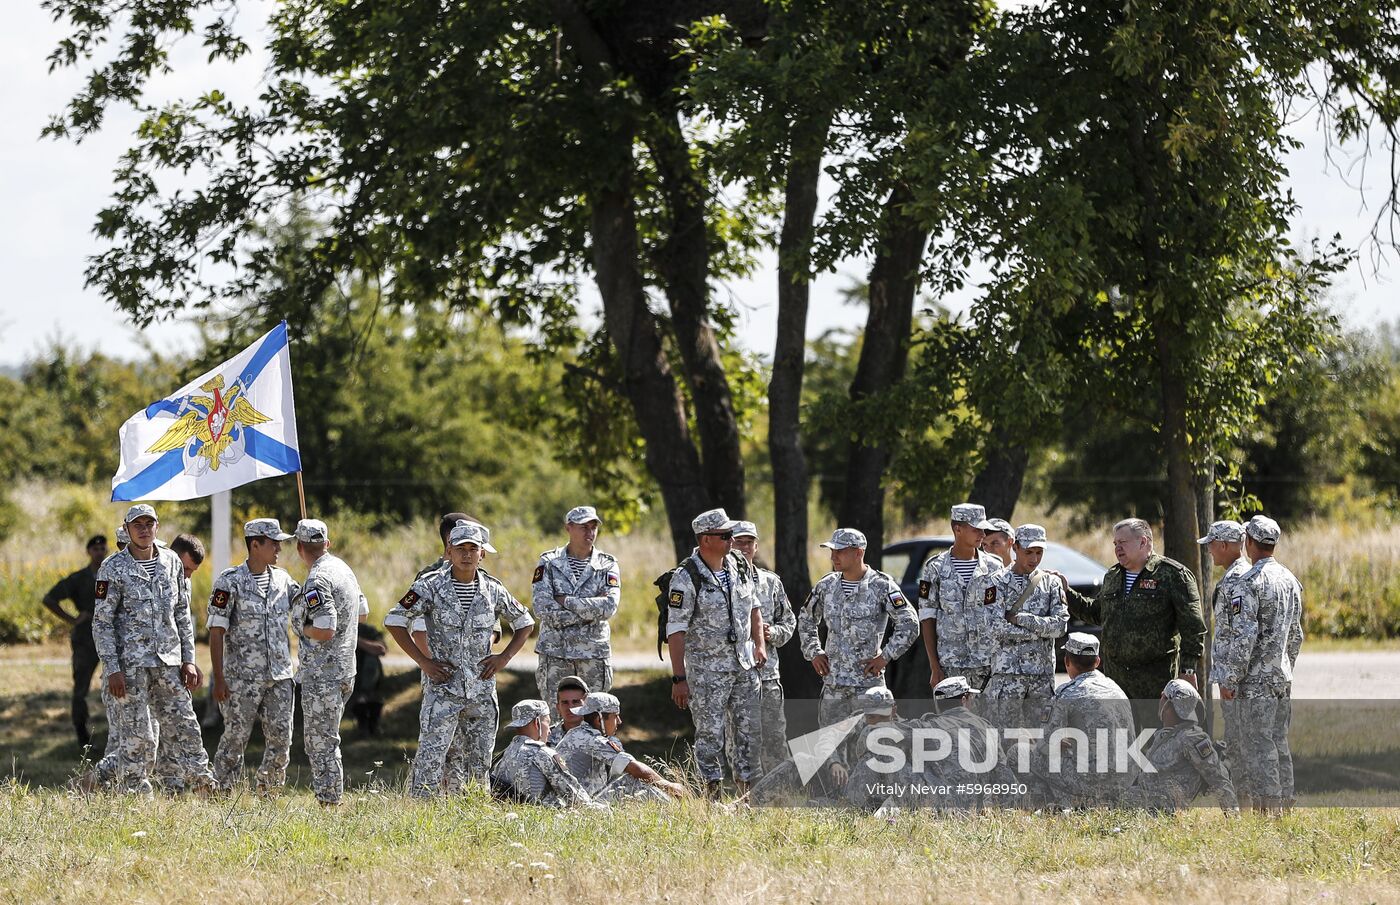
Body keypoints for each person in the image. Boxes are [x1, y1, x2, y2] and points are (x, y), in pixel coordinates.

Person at [385, 522, 535, 796]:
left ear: (482, 555)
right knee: (431, 756)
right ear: (449, 552)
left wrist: (504, 657)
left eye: (473, 549)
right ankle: (420, 811)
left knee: (479, 759)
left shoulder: (493, 589)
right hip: (444, 688)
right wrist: (424, 662)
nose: (467, 554)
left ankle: (473, 807)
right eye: (460, 549)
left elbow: (525, 622)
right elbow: (394, 620)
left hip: (481, 689)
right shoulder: (428, 587)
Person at [91, 504, 214, 795]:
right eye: (138, 525)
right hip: (131, 666)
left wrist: (189, 660)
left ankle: (204, 784)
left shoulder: (171, 562)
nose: (144, 530)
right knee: (139, 736)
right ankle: (134, 795)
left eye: (149, 524)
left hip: (169, 662)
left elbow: (182, 614)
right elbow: (102, 623)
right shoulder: (113, 568)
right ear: (128, 528)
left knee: (185, 724)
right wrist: (113, 668)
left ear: (157, 527)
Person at [798, 528, 918, 788]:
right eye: (832, 551)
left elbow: (910, 624)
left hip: (868, 686)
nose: (834, 557)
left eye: (840, 551)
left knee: (875, 744)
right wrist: (814, 652)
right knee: (831, 748)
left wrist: (886, 656)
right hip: (834, 685)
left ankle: (874, 797)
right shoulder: (826, 585)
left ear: (858, 553)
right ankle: (835, 801)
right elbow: (806, 618)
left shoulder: (881, 585)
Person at [1057, 518, 1206, 726]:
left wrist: (1187, 671)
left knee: (1152, 743)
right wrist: (1067, 593)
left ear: (1143, 542)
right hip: (1116, 682)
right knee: (1121, 742)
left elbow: (1193, 629)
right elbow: (1097, 613)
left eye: (1123, 543)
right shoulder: (1113, 576)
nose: (1117, 548)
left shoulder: (1173, 575)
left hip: (1154, 683)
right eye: (1115, 544)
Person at [666, 508, 767, 798]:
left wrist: (758, 644)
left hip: (743, 667)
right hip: (708, 672)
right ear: (705, 539)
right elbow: (676, 630)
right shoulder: (687, 577)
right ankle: (711, 799)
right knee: (710, 736)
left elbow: (754, 607)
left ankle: (748, 797)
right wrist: (679, 678)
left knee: (749, 733)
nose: (732, 539)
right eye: (725, 535)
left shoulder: (739, 564)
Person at [1212, 515, 1303, 815]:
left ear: (1249, 542)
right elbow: (1296, 636)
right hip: (1281, 677)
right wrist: (1284, 665)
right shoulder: (1291, 580)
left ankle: (1269, 813)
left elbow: (1244, 637)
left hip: (1254, 681)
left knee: (1258, 745)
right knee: (1279, 742)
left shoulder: (1249, 582)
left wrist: (1230, 678)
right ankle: (1285, 807)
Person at [208, 518, 301, 794]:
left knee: (281, 739)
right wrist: (220, 679)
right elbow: (216, 631)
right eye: (274, 543)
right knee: (235, 738)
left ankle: (268, 792)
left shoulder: (283, 580)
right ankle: (223, 791)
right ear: (255, 544)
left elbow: (305, 605)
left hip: (280, 676)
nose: (279, 549)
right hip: (242, 678)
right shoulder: (230, 581)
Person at [292, 518, 367, 806]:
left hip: (323, 673)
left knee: (321, 742)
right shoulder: (343, 569)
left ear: (299, 547)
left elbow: (324, 628)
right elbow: (362, 613)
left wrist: (301, 627)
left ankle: (329, 800)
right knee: (327, 738)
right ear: (327, 543)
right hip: (346, 668)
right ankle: (330, 797)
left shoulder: (317, 579)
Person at [974, 525, 1068, 727]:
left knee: (1043, 739)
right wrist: (1039, 633)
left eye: (1039, 553)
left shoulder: (1051, 583)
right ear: (1015, 547)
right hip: (1008, 677)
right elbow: (995, 627)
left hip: (1041, 678)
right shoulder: (996, 582)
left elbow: (1060, 626)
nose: (1034, 559)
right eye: (1029, 552)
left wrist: (1022, 619)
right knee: (1003, 739)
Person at [1029, 632, 1135, 809]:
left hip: (1092, 781)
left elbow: (1046, 745)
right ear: (1097, 662)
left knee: (1019, 753)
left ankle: (1064, 802)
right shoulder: (1116, 688)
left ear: (1067, 661)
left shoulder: (1066, 693)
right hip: (1125, 779)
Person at [532, 506, 620, 717]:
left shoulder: (607, 565)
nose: (590, 533)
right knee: (554, 720)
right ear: (568, 528)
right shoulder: (549, 563)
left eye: (593, 527)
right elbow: (542, 608)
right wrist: (589, 610)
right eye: (584, 527)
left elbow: (608, 607)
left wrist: (566, 601)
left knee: (595, 718)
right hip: (555, 653)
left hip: (592, 654)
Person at [730, 520, 796, 776]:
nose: (744, 547)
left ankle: (779, 795)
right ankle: (744, 795)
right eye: (738, 541)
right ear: (729, 544)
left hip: (767, 674)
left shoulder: (771, 582)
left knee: (774, 737)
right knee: (739, 739)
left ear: (756, 546)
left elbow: (789, 621)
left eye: (749, 542)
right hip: (735, 675)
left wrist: (773, 633)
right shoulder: (723, 582)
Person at [917, 503, 1002, 691]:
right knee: (952, 720)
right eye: (976, 529)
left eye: (983, 529)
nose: (982, 534)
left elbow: (1002, 613)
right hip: (951, 666)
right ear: (958, 529)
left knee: (988, 721)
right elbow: (927, 617)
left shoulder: (995, 567)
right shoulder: (935, 568)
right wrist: (934, 666)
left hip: (988, 665)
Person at [1122, 679, 1238, 814]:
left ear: (1168, 705)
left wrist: (1233, 816)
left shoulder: (1191, 738)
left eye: (1163, 697)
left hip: (1163, 807)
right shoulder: (1165, 734)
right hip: (1146, 798)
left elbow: (1218, 778)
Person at [42, 534, 109, 748]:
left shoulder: (113, 574)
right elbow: (49, 599)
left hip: (110, 636)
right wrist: (72, 619)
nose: (99, 552)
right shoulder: (79, 578)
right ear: (89, 552)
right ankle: (82, 735)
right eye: (95, 549)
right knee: (81, 689)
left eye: (102, 549)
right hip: (85, 639)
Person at [555, 692, 687, 801]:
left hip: (572, 802)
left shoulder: (581, 734)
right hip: (576, 806)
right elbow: (634, 768)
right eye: (615, 716)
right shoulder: (590, 739)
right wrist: (669, 785)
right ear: (599, 719)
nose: (619, 721)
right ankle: (678, 813)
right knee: (631, 780)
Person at [490, 699, 597, 808]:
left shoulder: (505, 754)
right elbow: (575, 796)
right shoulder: (541, 753)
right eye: (548, 723)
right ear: (537, 723)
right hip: (544, 818)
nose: (550, 731)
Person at [546, 675, 590, 747]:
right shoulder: (546, 737)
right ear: (558, 707)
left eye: (576, 702)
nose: (570, 707)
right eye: (565, 702)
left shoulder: (597, 736)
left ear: (587, 705)